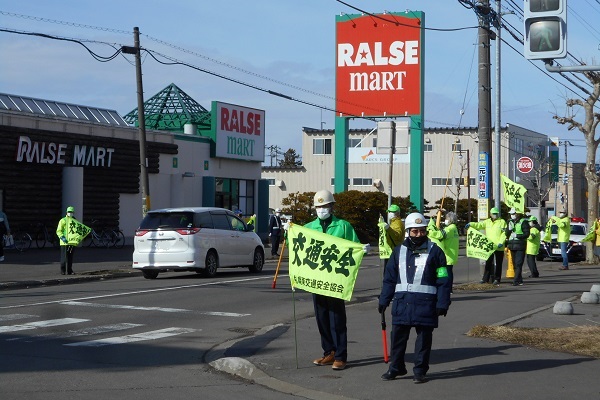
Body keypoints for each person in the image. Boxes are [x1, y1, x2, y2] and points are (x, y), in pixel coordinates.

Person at [378, 212, 451, 384]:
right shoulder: (398, 252)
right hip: (402, 303)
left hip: (426, 305)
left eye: (422, 231)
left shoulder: (436, 252)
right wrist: (384, 299)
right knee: (397, 339)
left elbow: (443, 279)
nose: (418, 234)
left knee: (423, 341)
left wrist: (443, 302)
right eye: (415, 231)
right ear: (408, 232)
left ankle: (420, 371)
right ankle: (396, 368)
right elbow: (389, 279)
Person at [305, 190, 359, 371]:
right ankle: (329, 352)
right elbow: (297, 246)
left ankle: (341, 356)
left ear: (332, 206)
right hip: (317, 280)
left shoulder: (343, 226)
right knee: (321, 317)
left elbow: (355, 246)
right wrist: (289, 233)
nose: (321, 209)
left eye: (325, 206)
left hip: (336, 280)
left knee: (337, 318)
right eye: (318, 206)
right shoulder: (309, 227)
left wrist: (362, 249)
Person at [465, 207, 507, 285]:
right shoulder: (487, 222)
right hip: (489, 246)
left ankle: (497, 279)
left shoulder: (502, 222)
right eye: (493, 214)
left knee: (498, 264)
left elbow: (504, 233)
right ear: (490, 214)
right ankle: (485, 279)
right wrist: (471, 224)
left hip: (499, 246)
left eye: (496, 214)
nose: (495, 215)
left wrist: (501, 242)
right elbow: (479, 225)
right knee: (488, 263)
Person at [427, 211, 459, 289]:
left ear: (450, 220)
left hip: (448, 253)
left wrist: (429, 232)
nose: (445, 220)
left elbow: (440, 235)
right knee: (449, 271)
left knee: (446, 272)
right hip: (451, 253)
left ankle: (448, 288)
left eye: (446, 218)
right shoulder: (454, 229)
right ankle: (449, 288)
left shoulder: (450, 229)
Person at [505, 208, 530, 286]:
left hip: (520, 245)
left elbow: (527, 234)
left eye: (513, 214)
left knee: (518, 263)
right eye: (511, 214)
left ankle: (515, 281)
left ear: (518, 214)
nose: (512, 215)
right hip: (512, 245)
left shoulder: (523, 222)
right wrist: (509, 230)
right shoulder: (510, 222)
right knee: (515, 264)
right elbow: (507, 234)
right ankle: (519, 280)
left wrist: (518, 236)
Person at [56, 206, 77, 275]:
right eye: (69, 212)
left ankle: (69, 270)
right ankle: (63, 270)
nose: (70, 213)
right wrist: (62, 238)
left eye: (71, 212)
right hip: (64, 242)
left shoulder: (75, 221)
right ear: (66, 212)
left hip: (72, 242)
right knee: (64, 257)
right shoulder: (63, 220)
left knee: (70, 257)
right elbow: (59, 231)